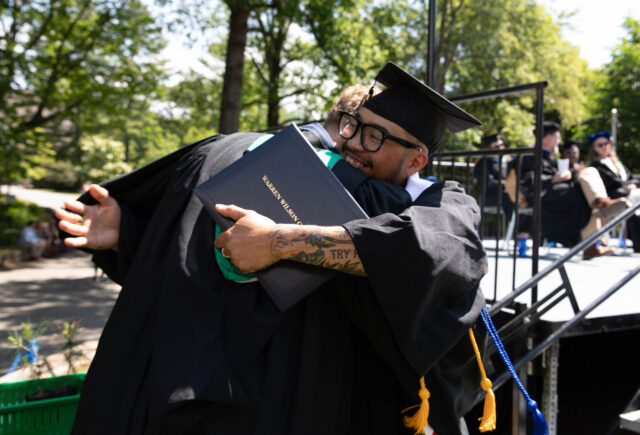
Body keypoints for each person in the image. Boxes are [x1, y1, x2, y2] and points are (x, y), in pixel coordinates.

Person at [57, 62, 487, 435]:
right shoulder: (272, 159)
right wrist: (130, 230)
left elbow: (427, 254)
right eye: (355, 125)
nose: (353, 143)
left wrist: (279, 242)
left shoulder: (440, 206)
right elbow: (186, 259)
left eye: (376, 136)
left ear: (416, 160)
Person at [515, 121, 627, 259]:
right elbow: (528, 182)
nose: (559, 142)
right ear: (548, 138)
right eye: (557, 137)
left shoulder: (548, 157)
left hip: (557, 192)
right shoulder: (530, 156)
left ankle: (592, 240)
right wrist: (552, 179)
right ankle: (599, 211)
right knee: (588, 182)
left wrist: (569, 174)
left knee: (587, 187)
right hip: (544, 196)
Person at [588, 130, 640, 252]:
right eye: (600, 145)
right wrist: (629, 188)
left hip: (632, 194)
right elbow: (611, 185)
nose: (604, 146)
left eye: (606, 143)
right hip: (615, 197)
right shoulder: (596, 166)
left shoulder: (617, 163)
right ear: (594, 148)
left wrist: (632, 185)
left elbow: (632, 178)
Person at [473, 133, 514, 224]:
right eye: (497, 146)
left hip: (505, 193)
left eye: (501, 145)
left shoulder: (507, 161)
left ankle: (523, 233)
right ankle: (515, 232)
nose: (500, 148)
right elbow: (488, 183)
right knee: (513, 198)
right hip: (490, 197)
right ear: (489, 148)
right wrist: (507, 185)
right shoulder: (483, 163)